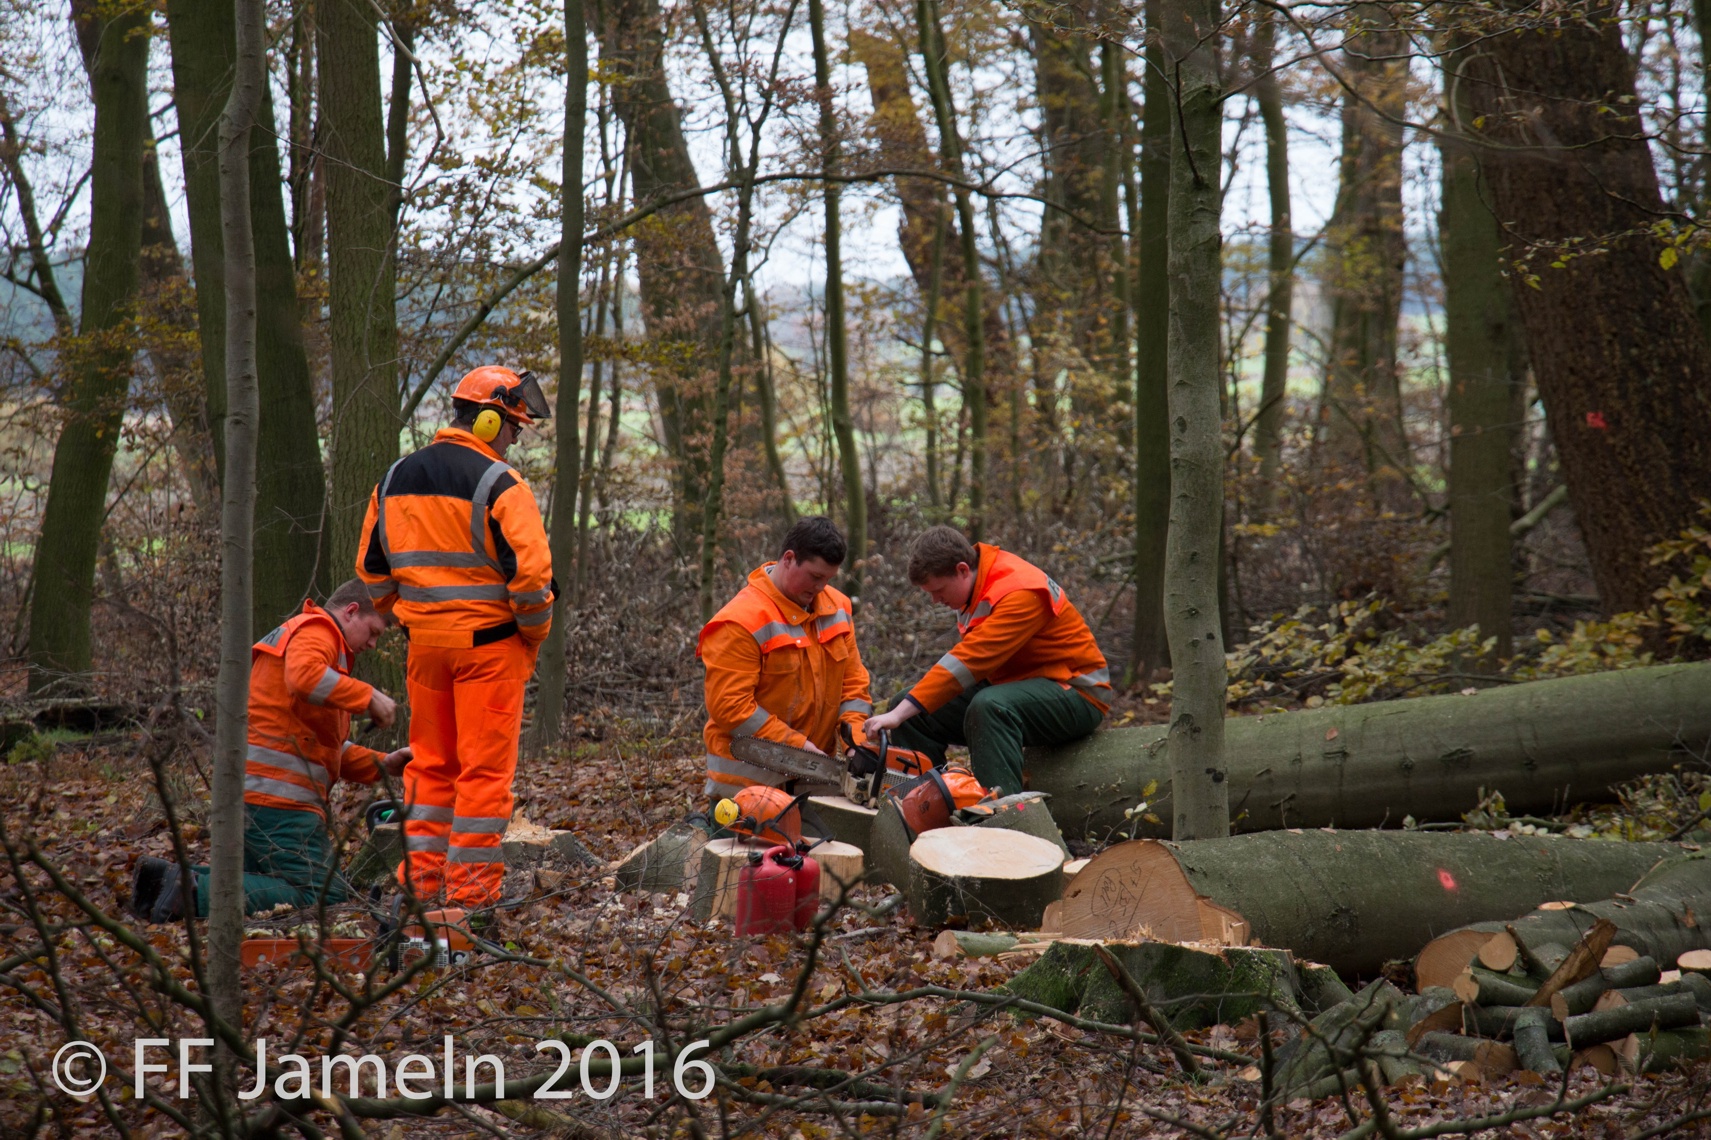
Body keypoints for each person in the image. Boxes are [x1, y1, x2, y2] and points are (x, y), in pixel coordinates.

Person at [354, 365, 555, 923]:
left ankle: (416, 889)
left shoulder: (394, 479)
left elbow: (373, 578)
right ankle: (470, 899)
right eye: (513, 429)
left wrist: (416, 617)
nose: (513, 441)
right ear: (489, 420)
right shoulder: (502, 485)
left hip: (425, 651)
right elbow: (534, 582)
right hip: (490, 650)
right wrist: (530, 637)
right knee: (484, 776)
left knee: (431, 769)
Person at [128, 579, 413, 921]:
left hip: (252, 796)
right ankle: (189, 893)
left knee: (264, 882)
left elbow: (324, 749)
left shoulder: (314, 647)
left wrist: (385, 765)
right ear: (351, 612)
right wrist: (369, 696)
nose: (372, 642)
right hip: (280, 806)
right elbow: (304, 677)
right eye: (374, 631)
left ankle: (161, 881)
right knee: (327, 894)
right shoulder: (318, 632)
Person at [862, 526, 1110, 796]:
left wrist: (896, 716)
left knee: (990, 707)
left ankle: (1001, 817)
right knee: (912, 712)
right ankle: (925, 804)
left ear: (962, 570)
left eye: (938, 590)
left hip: (1075, 693)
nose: (935, 600)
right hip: (1016, 684)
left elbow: (971, 660)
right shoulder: (976, 586)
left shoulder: (1020, 591)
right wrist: (902, 712)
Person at [698, 517, 873, 800]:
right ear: (789, 559)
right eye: (815, 577)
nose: (820, 587)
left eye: (828, 579)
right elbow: (731, 708)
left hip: (814, 777)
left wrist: (855, 742)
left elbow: (853, 686)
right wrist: (796, 746)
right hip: (748, 784)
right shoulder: (740, 621)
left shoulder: (836, 607)